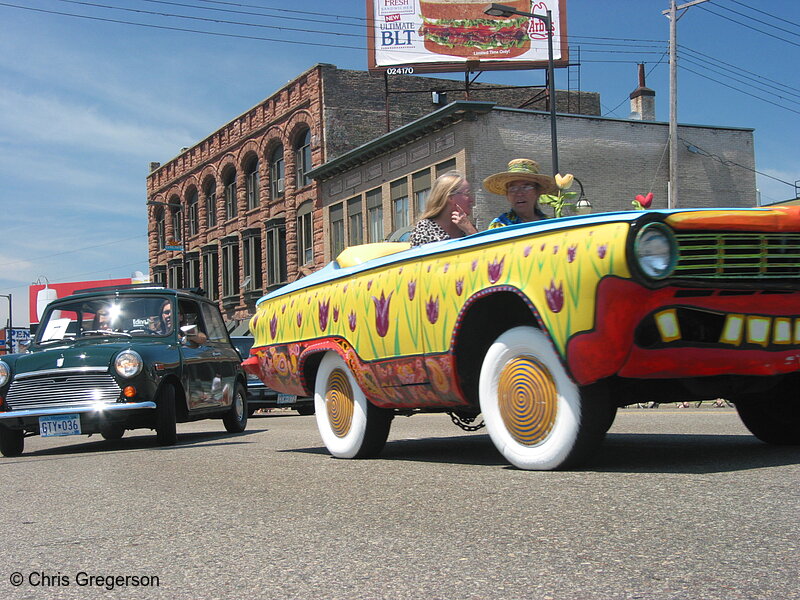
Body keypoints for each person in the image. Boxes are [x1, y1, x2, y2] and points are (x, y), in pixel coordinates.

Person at [483, 158, 559, 228]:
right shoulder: (500, 225)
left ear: (537, 192)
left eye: (526, 187)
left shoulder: (550, 225)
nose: (519, 193)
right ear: (507, 195)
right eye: (513, 188)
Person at [408, 171, 477, 247]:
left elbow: (485, 253)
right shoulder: (425, 229)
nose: (471, 200)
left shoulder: (467, 227)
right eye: (467, 194)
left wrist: (470, 231)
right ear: (450, 198)